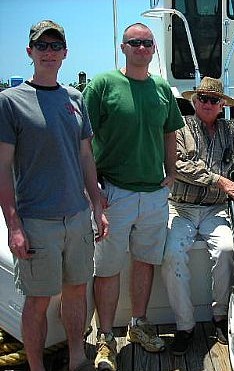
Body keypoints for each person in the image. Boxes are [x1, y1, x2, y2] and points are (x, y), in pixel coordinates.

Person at [0, 20, 108, 371]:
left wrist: (96, 204)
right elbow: (2, 167)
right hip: (36, 222)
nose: (48, 52)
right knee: (38, 300)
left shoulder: (75, 99)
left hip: (77, 217)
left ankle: (78, 358)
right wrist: (13, 225)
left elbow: (85, 156)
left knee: (77, 290)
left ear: (65, 53)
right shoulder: (9, 102)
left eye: (54, 45)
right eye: (41, 46)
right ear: (29, 52)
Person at [83, 23, 184, 370]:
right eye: (135, 43)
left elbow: (170, 133)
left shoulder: (161, 88)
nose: (142, 48)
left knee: (145, 261)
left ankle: (138, 324)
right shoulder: (102, 85)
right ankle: (106, 337)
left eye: (147, 43)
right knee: (107, 268)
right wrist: (92, 186)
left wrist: (170, 174)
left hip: (154, 194)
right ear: (123, 47)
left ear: (154, 49)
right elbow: (83, 139)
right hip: (113, 193)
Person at [161, 76, 234, 356]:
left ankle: (220, 316)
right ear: (194, 102)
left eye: (214, 100)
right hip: (180, 208)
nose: (208, 104)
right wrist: (219, 180)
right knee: (171, 255)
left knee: (226, 249)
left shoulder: (231, 130)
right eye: (203, 99)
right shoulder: (180, 128)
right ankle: (185, 326)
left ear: (222, 105)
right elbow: (178, 164)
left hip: (215, 210)